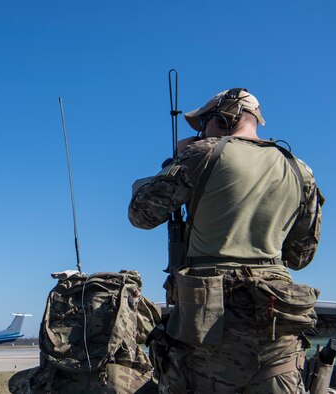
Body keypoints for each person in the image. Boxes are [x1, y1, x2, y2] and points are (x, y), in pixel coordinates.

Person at [128, 88, 324, 393]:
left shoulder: (202, 153)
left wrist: (177, 159)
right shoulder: (300, 170)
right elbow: (301, 255)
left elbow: (142, 215)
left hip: (210, 331)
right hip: (277, 328)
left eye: (204, 123)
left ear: (222, 118)